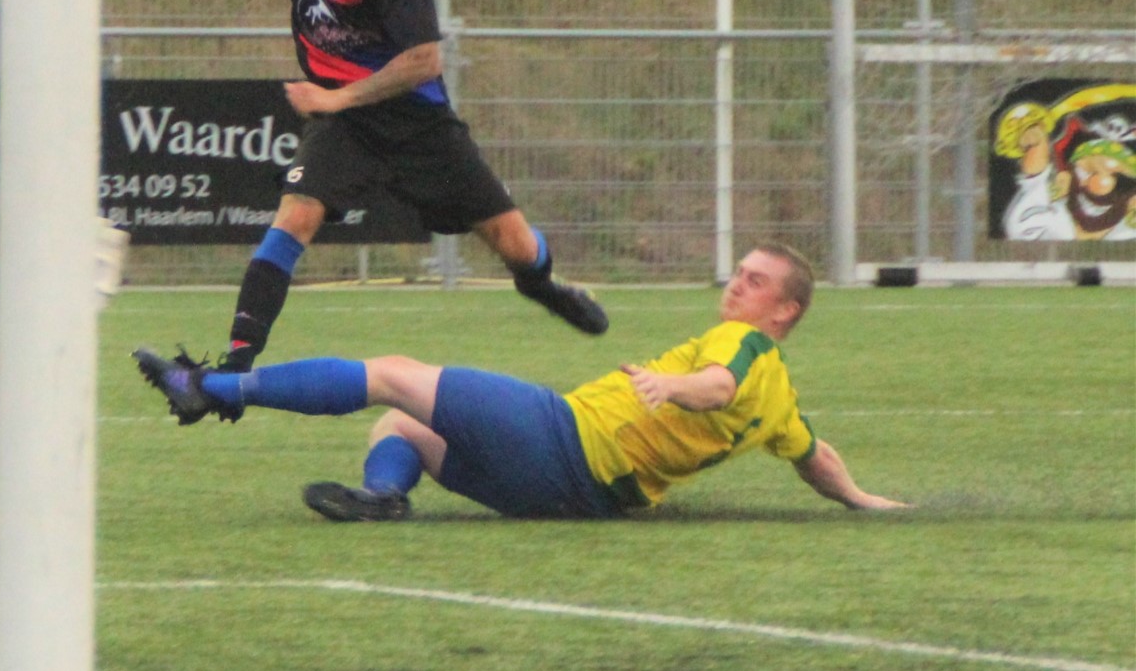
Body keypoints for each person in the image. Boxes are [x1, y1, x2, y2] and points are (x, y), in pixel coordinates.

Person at [207, 0, 605, 377]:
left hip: (415, 120)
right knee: (295, 217)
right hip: (344, 121)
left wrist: (337, 99)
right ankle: (235, 365)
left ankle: (543, 286)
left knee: (512, 243)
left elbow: (424, 60)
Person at [136, 242, 907, 520]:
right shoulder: (783, 403)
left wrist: (674, 389)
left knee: (396, 377)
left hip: (566, 439)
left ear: (786, 310)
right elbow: (813, 454)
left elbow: (716, 384)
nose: (738, 285)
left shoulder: (744, 347)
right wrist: (869, 500)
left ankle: (208, 388)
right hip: (584, 498)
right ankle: (385, 497)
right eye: (740, 272)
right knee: (400, 428)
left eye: (756, 279)